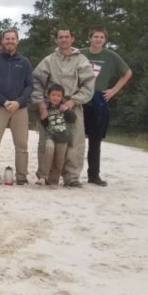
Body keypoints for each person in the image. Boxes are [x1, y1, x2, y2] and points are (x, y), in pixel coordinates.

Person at [32, 29, 96, 188]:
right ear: (56, 41)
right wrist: (41, 105)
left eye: (67, 37)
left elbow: (89, 84)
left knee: (75, 141)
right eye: (60, 37)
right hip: (51, 106)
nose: (64, 40)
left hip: (72, 104)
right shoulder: (48, 60)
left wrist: (72, 101)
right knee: (46, 141)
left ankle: (71, 177)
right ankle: (44, 175)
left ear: (72, 39)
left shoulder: (81, 60)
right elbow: (36, 82)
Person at [0, 28, 34, 185]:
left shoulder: (24, 62)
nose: (10, 41)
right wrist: (4, 101)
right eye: (7, 39)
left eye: (13, 39)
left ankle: (22, 176)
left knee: (22, 145)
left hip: (20, 108)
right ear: (2, 41)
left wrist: (18, 102)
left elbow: (30, 85)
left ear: (17, 41)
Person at [81, 27, 132, 187]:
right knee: (75, 140)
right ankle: (70, 174)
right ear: (90, 38)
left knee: (95, 141)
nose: (98, 39)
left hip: (99, 100)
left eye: (101, 37)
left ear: (105, 40)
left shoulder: (110, 56)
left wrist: (114, 90)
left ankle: (94, 175)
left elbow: (127, 73)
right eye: (95, 36)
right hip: (81, 98)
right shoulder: (80, 53)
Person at [38, 84, 77, 186]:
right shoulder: (46, 108)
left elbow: (73, 119)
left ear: (62, 97)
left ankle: (53, 180)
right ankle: (43, 176)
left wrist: (68, 110)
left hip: (63, 138)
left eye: (58, 96)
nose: (55, 98)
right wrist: (43, 118)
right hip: (50, 136)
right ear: (49, 95)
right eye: (53, 95)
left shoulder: (64, 108)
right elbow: (45, 124)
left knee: (59, 161)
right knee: (49, 149)